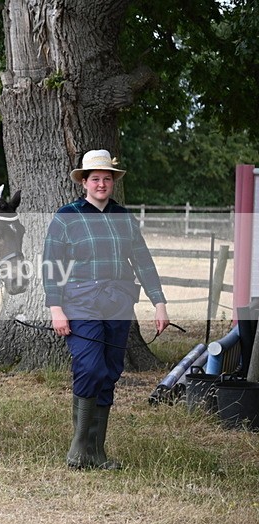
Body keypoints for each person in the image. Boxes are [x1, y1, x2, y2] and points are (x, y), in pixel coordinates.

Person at [42, 149, 170, 470]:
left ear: (113, 182)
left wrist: (159, 303)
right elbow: (51, 266)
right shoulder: (66, 216)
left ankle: (96, 454)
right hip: (80, 302)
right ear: (84, 182)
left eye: (107, 179)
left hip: (118, 302)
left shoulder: (124, 218)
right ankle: (78, 448)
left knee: (110, 372)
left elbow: (143, 261)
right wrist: (56, 308)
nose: (101, 184)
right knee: (90, 368)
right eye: (95, 178)